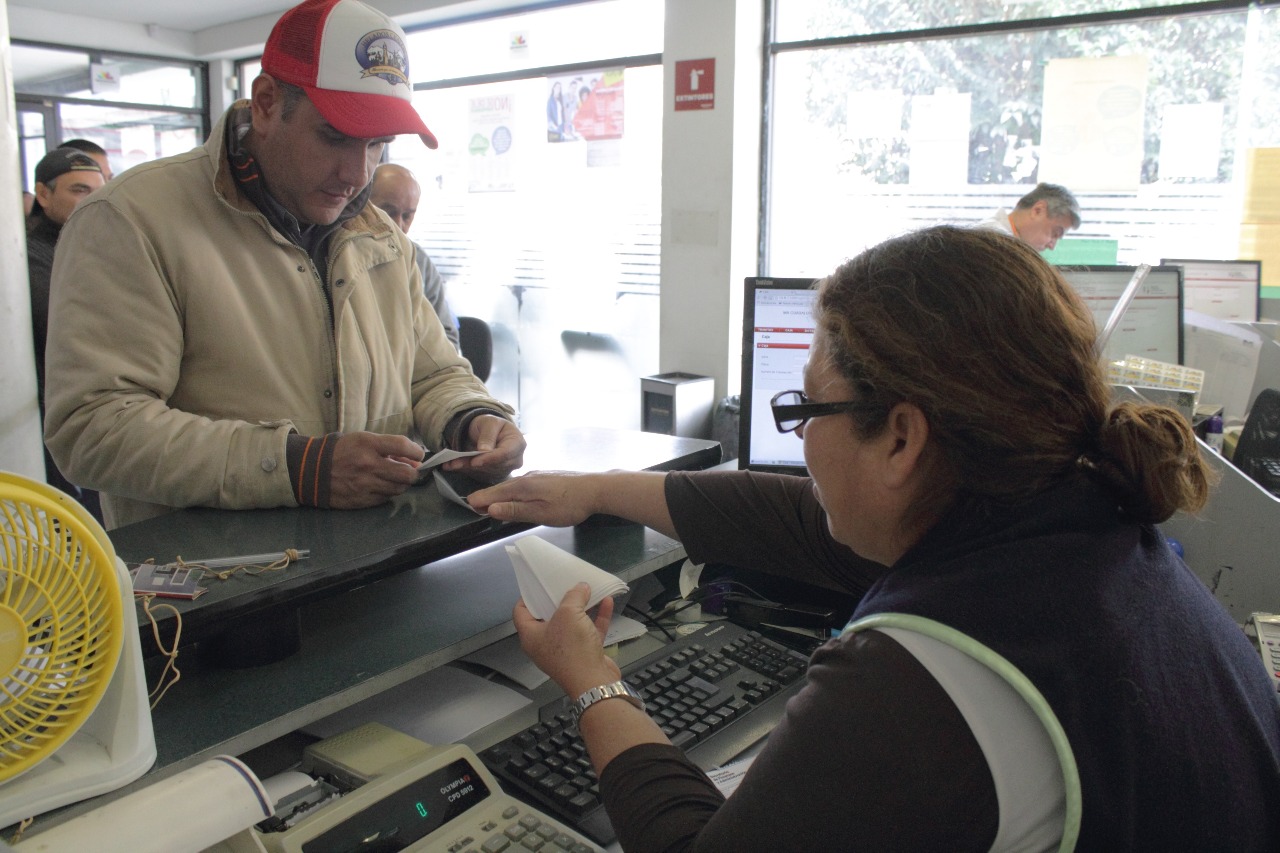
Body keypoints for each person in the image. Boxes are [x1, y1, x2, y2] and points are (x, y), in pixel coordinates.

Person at [469, 226, 1280, 850]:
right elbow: (810, 528)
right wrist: (601, 489)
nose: (801, 443)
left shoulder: (937, 675)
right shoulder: (1086, 531)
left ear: (901, 439)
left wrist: (592, 680)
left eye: (806, 409)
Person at [43, 0, 525, 530]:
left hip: (374, 563)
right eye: (335, 137)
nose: (356, 173)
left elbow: (433, 374)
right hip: (219, 593)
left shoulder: (379, 235)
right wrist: (298, 468)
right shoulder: (131, 220)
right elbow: (91, 429)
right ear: (268, 102)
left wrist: (472, 418)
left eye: (377, 145)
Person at [25, 147, 107, 518]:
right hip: (48, 423)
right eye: (79, 190)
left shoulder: (97, 244)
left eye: (100, 188)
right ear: (43, 194)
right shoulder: (27, 258)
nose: (93, 199)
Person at [369, 162, 460, 351]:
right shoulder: (343, 255)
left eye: (407, 216)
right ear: (364, 205)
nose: (398, 225)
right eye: (388, 212)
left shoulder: (420, 261)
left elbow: (448, 338)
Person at [979, 182, 1081, 251]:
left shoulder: (1009, 243)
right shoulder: (990, 241)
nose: (1052, 246)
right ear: (1038, 210)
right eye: (1055, 234)